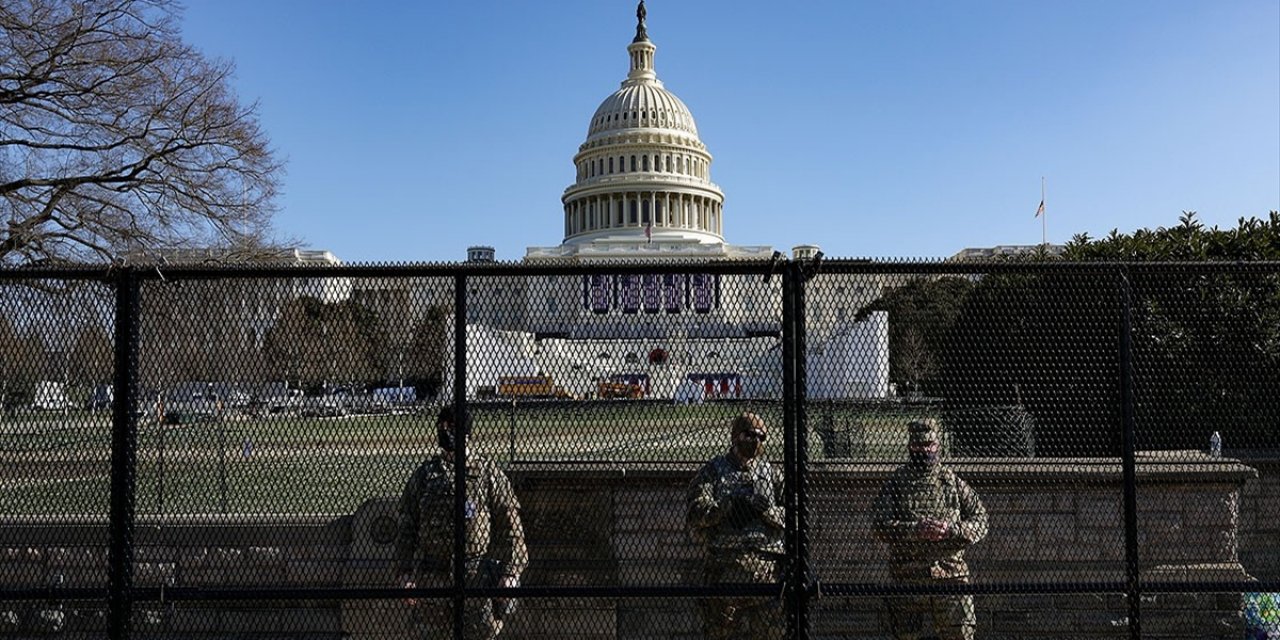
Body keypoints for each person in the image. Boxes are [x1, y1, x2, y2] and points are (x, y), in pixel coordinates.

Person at [396, 405, 527, 640]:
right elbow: (407, 526)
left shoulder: (487, 473)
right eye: (441, 428)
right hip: (433, 574)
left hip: (474, 576)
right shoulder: (426, 475)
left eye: (451, 428)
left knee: (479, 633)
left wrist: (510, 572)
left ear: (466, 433)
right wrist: (405, 572)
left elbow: (512, 526)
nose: (445, 433)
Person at [873, 419, 988, 640]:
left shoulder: (951, 482)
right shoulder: (896, 483)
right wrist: (915, 530)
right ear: (910, 447)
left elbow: (981, 519)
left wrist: (952, 530)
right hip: (908, 575)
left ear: (938, 446)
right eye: (918, 446)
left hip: (950, 574)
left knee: (960, 635)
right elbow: (880, 524)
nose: (924, 450)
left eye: (929, 445)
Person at [686, 412, 786, 640]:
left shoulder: (771, 473)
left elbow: (798, 513)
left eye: (761, 436)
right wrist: (728, 507)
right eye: (749, 435)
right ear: (735, 436)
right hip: (725, 570)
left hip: (766, 573)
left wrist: (769, 512)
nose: (756, 441)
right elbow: (695, 511)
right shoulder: (713, 471)